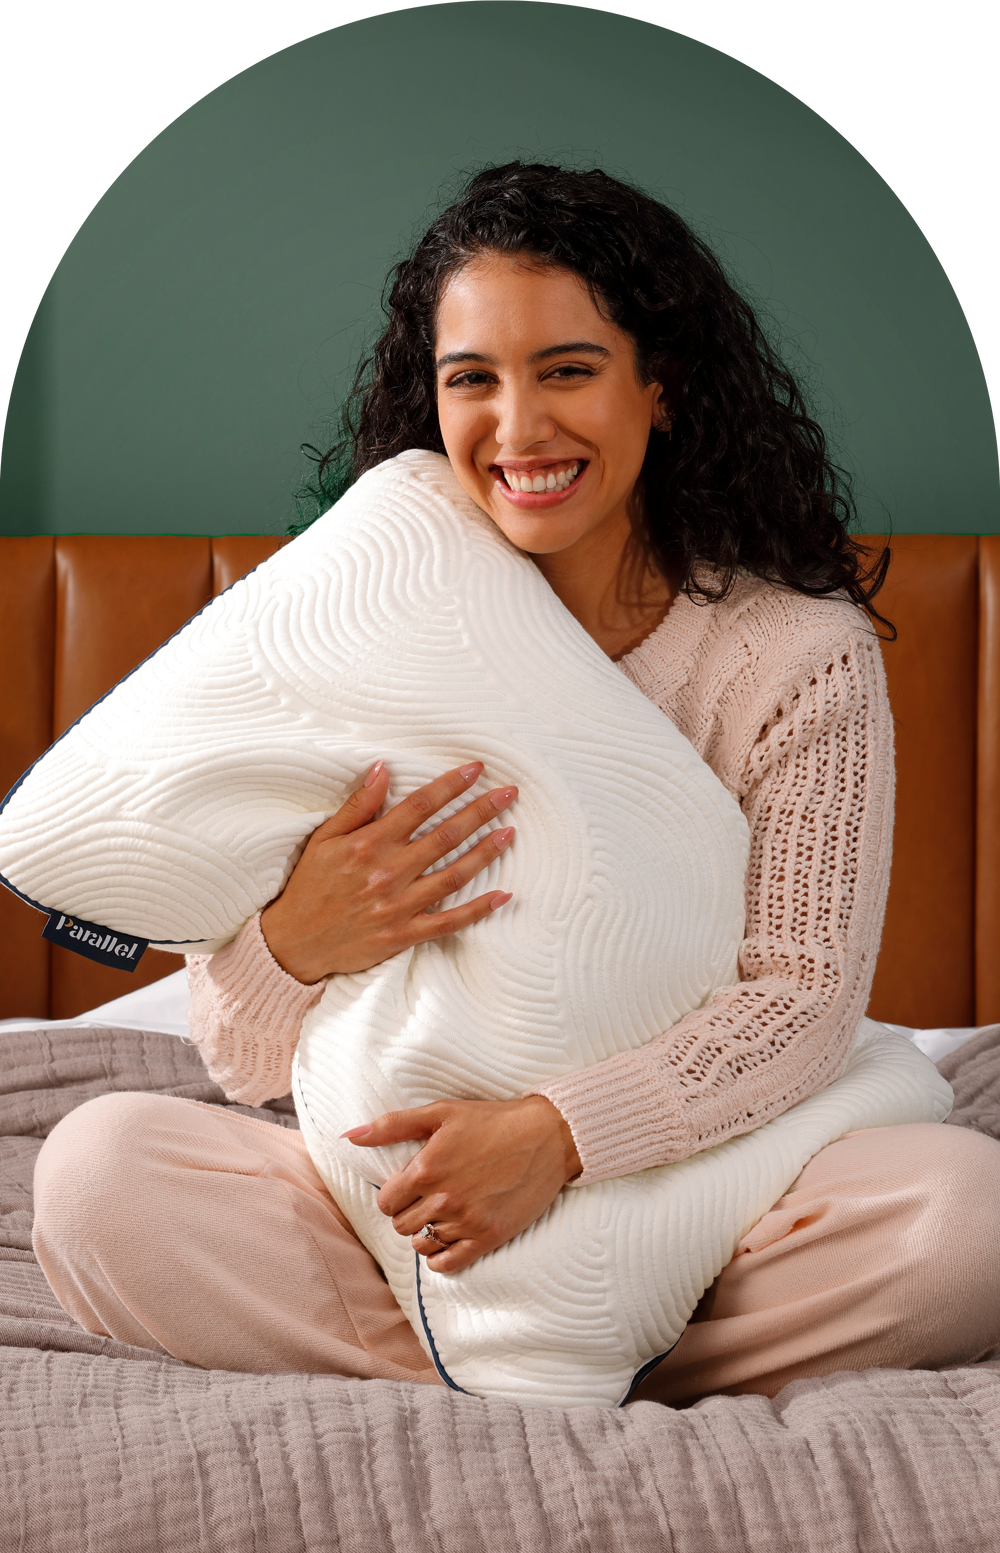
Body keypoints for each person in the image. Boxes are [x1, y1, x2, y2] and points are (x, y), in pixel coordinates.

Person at [32, 163, 1000, 1404]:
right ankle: (557, 1359)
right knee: (99, 1172)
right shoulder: (364, 628)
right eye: (472, 379)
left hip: (725, 1173)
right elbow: (238, 1056)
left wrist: (556, 1138)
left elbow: (802, 1004)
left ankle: (520, 1364)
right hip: (413, 1207)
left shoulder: (795, 655)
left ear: (663, 387)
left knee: (964, 1219)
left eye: (568, 369)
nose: (519, 427)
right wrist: (294, 940)